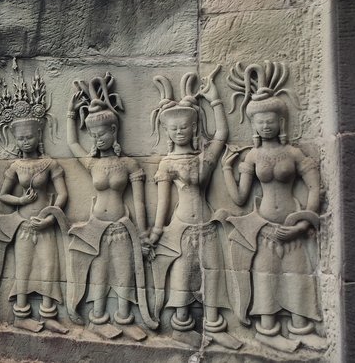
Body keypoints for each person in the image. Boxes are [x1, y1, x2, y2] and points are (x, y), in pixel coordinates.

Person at [222, 61, 324, 352]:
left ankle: (301, 327)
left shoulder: (294, 153)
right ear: (253, 125)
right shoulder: (252, 157)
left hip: (292, 226)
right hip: (264, 228)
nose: (265, 124)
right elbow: (240, 198)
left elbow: (315, 187)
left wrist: (303, 224)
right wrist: (228, 171)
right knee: (265, 277)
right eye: (259, 121)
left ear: (281, 122)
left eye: (271, 119)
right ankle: (267, 329)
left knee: (298, 277)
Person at [148, 66, 241, 349]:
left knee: (213, 273)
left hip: (207, 225)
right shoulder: (167, 163)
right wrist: (155, 231)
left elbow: (222, 135)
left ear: (194, 128)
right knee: (182, 275)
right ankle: (180, 325)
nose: (179, 132)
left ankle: (213, 325)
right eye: (173, 128)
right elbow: (164, 202)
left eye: (185, 127)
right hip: (180, 227)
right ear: (166, 130)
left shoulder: (204, 158)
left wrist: (215, 100)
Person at [64, 74, 156, 340]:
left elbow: (139, 202)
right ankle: (98, 319)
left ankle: (125, 318)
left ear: (113, 131)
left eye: (101, 134)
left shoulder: (129, 165)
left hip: (120, 227)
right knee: (100, 274)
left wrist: (144, 232)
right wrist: (71, 114)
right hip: (96, 228)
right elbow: (72, 144)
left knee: (125, 272)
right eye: (93, 135)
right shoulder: (93, 164)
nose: (96, 140)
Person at [0, 73, 70, 334]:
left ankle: (48, 313)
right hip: (22, 224)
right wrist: (20, 200)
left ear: (38, 135)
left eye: (29, 137)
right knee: (24, 268)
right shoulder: (15, 166)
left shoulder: (50, 164)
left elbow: (63, 195)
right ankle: (21, 314)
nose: (25, 142)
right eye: (20, 138)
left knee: (48, 267)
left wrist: (50, 218)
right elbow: (3, 196)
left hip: (45, 222)